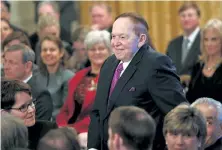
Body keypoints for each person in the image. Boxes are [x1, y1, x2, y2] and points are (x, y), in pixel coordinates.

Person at [87, 12, 187, 150]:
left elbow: (177, 113)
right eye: (113, 36)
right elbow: (98, 111)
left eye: (122, 37)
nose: (115, 43)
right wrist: (93, 147)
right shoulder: (109, 64)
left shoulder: (156, 64)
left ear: (141, 39)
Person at [56, 30, 112, 148]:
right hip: (70, 130)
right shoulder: (78, 76)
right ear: (87, 52)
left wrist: (73, 129)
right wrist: (62, 125)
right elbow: (66, 108)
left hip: (95, 132)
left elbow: (101, 113)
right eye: (92, 49)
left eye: (101, 48)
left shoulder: (113, 78)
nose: (97, 52)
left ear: (109, 51)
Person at [1, 79, 57, 150]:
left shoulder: (48, 130)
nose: (31, 110)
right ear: (4, 114)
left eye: (31, 103)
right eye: (23, 107)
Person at [3, 44, 53, 121]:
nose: (6, 67)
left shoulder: (40, 94)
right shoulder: (2, 87)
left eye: (11, 62)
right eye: (5, 61)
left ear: (28, 66)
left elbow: (39, 128)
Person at [36, 35, 74, 120]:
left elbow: (67, 109)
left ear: (61, 53)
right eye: (44, 50)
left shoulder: (69, 77)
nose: (48, 53)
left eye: (52, 50)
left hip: (58, 124)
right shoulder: (35, 76)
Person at [186, 18, 222, 103]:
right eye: (206, 39)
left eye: (214, 39)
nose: (209, 44)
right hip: (197, 115)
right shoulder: (197, 66)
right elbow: (190, 97)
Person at [166, 2, 201, 87]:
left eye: (190, 15)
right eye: (183, 16)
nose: (186, 19)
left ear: (198, 18)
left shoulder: (207, 41)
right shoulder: (172, 45)